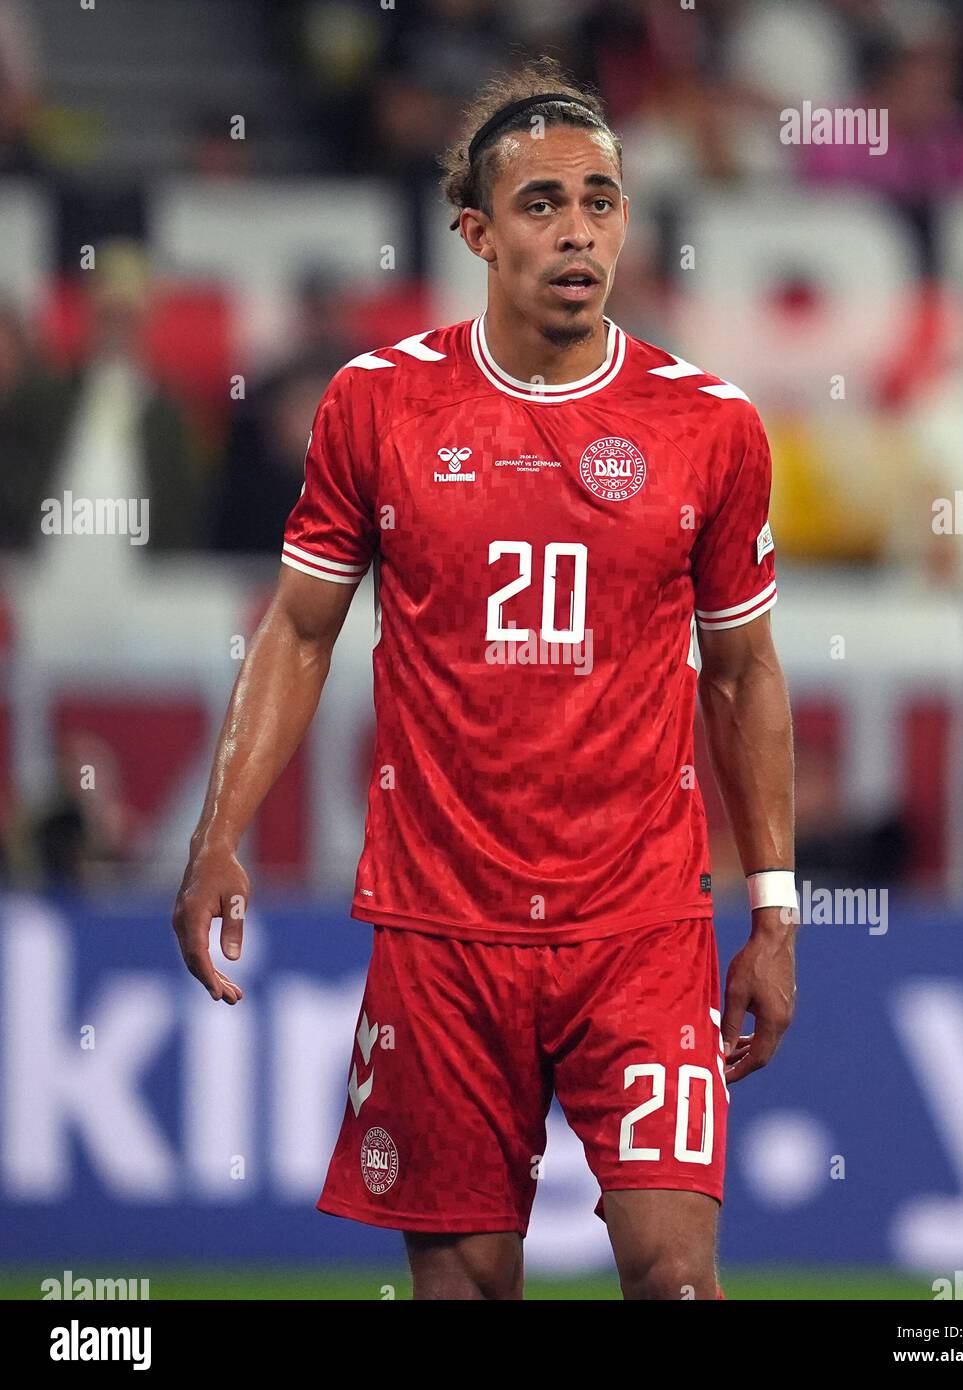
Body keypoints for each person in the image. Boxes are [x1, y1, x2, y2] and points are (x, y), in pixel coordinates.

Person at [171, 56, 798, 1301]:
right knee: (462, 1290)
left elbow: (739, 672)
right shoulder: (380, 406)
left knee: (677, 1278)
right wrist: (217, 835)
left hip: (641, 927)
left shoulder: (707, 426)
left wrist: (775, 910)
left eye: (602, 200)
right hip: (440, 926)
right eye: (543, 203)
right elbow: (299, 632)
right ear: (474, 229)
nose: (580, 230)